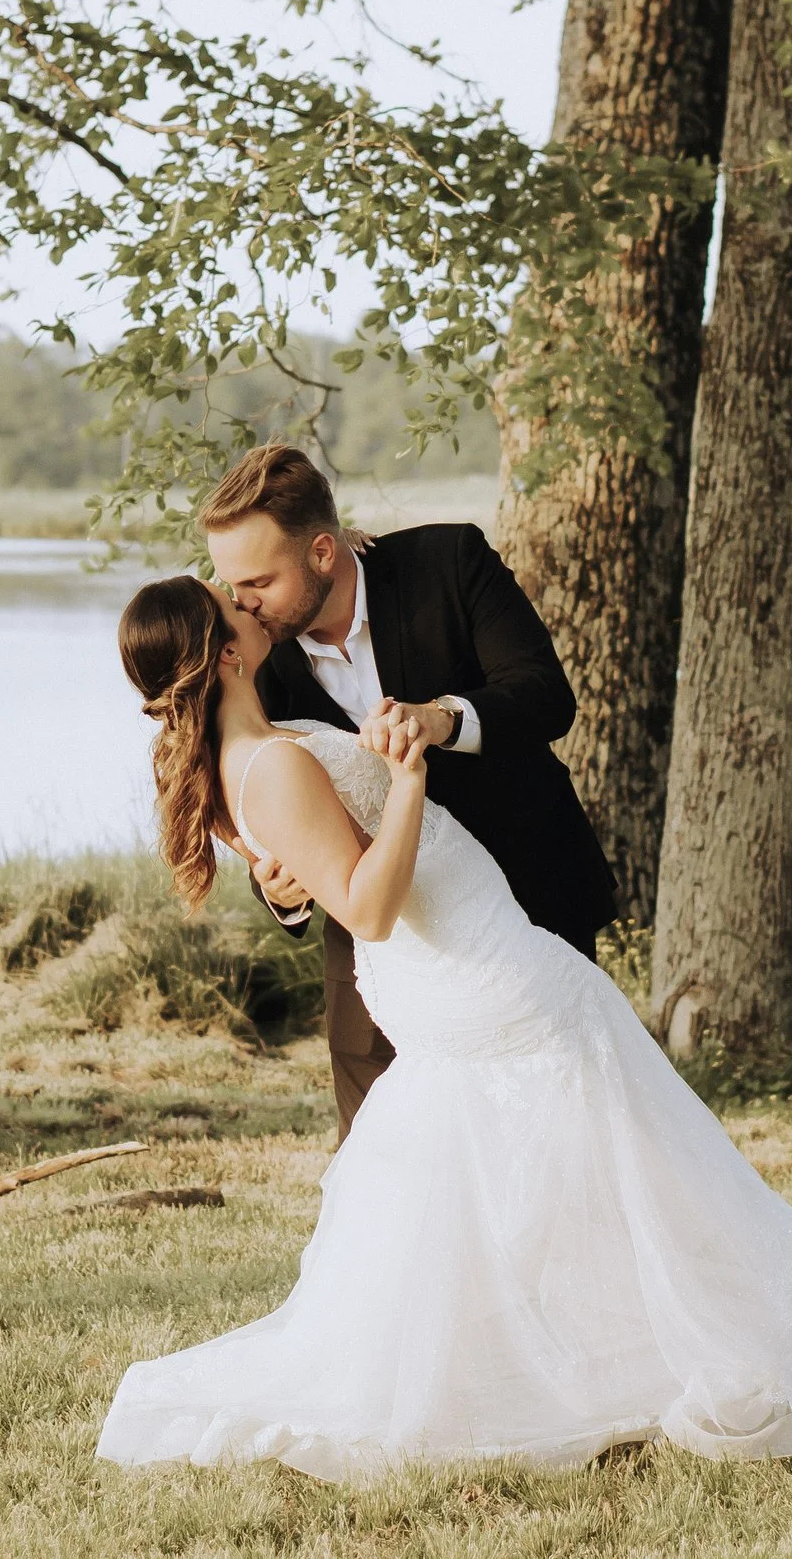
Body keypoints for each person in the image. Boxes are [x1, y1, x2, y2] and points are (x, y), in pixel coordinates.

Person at [97, 569, 792, 1483]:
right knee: (636, 1139)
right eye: (233, 604)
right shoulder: (268, 763)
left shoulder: (245, 753)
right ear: (224, 651)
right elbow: (368, 904)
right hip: (475, 968)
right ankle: (779, 1315)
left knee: (577, 1152)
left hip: (469, 955)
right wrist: (404, 778)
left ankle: (628, 1342)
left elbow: (307, 867)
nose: (250, 602)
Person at [194, 444, 617, 1139]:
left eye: (259, 581)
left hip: (520, 910)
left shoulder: (448, 564)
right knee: (390, 1162)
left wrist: (441, 718)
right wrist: (277, 884)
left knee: (560, 1139)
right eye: (230, 583)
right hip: (378, 951)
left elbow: (547, 697)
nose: (240, 602)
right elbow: (268, 802)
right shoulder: (254, 659)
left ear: (323, 552)